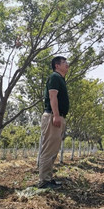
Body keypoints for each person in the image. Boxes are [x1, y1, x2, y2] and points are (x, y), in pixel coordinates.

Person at [38, 56, 70, 189]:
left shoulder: (61, 79)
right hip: (53, 116)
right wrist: (56, 115)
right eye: (64, 63)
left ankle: (48, 179)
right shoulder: (55, 77)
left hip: (58, 116)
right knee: (48, 150)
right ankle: (44, 182)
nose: (67, 65)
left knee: (53, 150)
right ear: (57, 65)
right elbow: (52, 96)